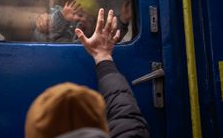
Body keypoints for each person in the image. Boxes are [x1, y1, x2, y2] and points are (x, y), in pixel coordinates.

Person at [25, 8, 149, 138]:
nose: (83, 20)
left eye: (88, 17)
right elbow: (127, 119)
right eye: (79, 16)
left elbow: (110, 34)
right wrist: (103, 57)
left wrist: (122, 20)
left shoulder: (97, 37)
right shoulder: (63, 34)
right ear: (102, 123)